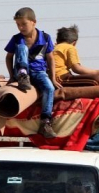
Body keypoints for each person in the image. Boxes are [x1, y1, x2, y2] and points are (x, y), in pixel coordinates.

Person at [5, 7, 60, 138]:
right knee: (22, 47)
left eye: (24, 24)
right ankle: (23, 75)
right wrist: (12, 76)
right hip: (22, 71)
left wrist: (53, 78)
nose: (21, 28)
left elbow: (50, 58)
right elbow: (9, 57)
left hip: (39, 72)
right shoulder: (17, 39)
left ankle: (45, 122)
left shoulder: (45, 38)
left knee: (49, 88)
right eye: (18, 25)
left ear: (33, 22)